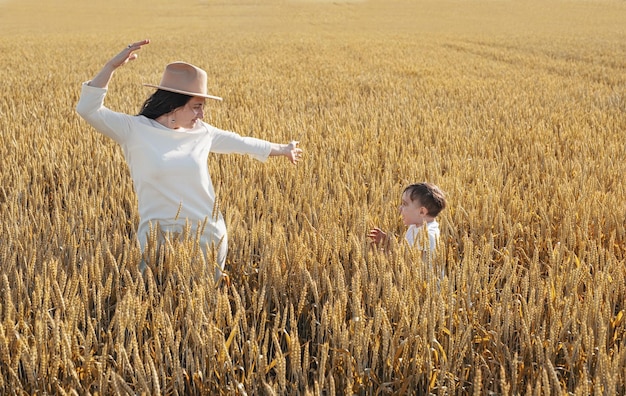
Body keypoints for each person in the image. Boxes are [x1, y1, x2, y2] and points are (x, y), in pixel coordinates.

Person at [76, 39, 303, 280]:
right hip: (156, 239)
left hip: (207, 237)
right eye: (196, 107)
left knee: (200, 309)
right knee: (154, 305)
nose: (202, 114)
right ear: (173, 105)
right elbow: (88, 109)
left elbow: (241, 142)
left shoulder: (202, 133)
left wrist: (282, 148)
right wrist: (111, 66)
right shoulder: (133, 129)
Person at [368, 182, 447, 254]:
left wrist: (378, 253)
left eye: (405, 204)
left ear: (422, 211)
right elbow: (404, 251)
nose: (400, 208)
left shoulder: (428, 236)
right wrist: (387, 241)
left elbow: (409, 262)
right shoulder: (415, 226)